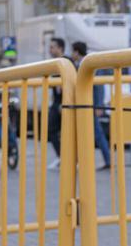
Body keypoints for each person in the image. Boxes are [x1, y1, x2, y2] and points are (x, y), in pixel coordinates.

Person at [71, 40, 110, 169]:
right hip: (86, 104)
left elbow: (98, 86)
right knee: (90, 133)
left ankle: (107, 159)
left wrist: (99, 105)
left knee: (97, 133)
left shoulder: (88, 65)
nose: (72, 54)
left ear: (77, 52)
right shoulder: (81, 64)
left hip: (90, 104)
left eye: (73, 51)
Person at [46, 37, 67, 169]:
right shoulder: (56, 63)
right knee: (53, 131)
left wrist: (64, 102)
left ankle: (65, 158)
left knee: (59, 130)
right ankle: (62, 157)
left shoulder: (65, 62)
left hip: (62, 102)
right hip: (57, 102)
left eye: (53, 47)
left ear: (60, 48)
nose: (50, 49)